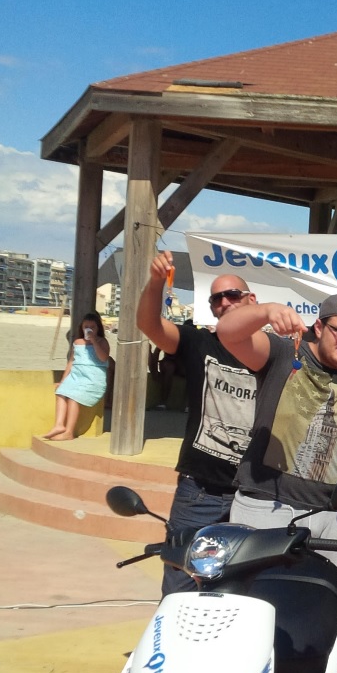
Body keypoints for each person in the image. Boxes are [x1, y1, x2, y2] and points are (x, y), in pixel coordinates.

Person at [217, 293, 337, 572]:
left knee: (320, 595)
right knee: (256, 592)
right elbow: (227, 332)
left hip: (329, 513)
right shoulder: (286, 353)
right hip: (266, 505)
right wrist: (266, 310)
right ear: (319, 328)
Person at [137, 253, 259, 595]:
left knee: (244, 590)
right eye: (216, 299)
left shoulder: (274, 353)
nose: (224, 302)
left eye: (232, 295)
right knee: (180, 584)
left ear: (252, 300)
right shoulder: (198, 342)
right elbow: (149, 325)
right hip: (199, 491)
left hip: (253, 495)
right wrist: (156, 282)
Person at [43, 312, 110, 441]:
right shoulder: (77, 342)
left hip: (93, 380)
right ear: (82, 328)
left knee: (73, 397)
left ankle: (69, 432)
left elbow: (103, 358)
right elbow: (71, 362)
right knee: (61, 392)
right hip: (77, 377)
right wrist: (62, 381)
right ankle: (59, 425)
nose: (89, 329)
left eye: (92, 327)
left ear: (98, 328)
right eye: (86, 327)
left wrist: (93, 341)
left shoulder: (102, 342)